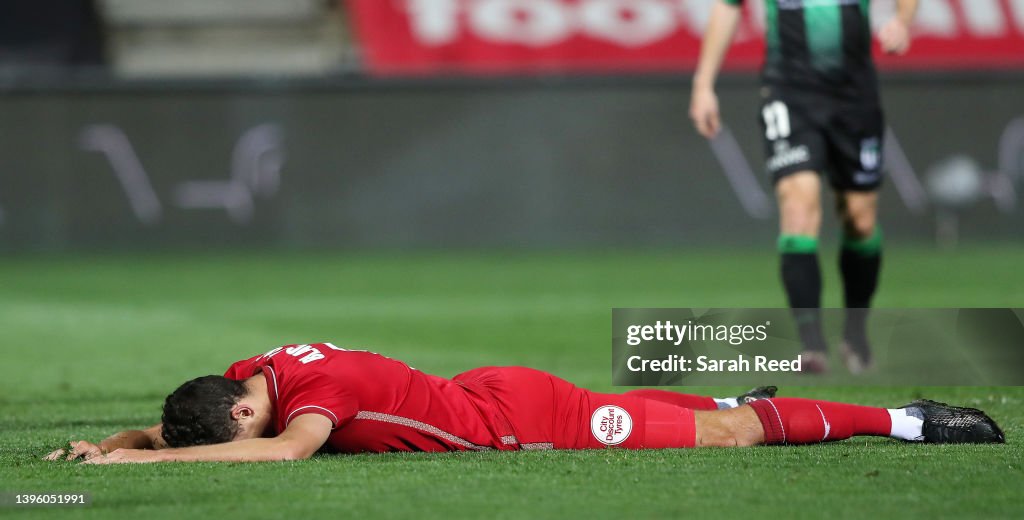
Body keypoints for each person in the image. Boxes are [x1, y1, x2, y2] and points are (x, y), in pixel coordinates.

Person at [44, 343, 1003, 464]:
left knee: (722, 438)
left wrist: (155, 461)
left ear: (244, 408)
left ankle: (911, 420)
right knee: (705, 402)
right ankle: (763, 393)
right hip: (495, 388)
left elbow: (284, 454)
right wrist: (117, 441)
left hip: (518, 424)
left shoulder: (311, 404)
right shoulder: (259, 366)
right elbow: (216, 420)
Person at [689, 0, 919, 373]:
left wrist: (903, 21)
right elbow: (728, 7)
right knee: (798, 203)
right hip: (788, 92)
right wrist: (703, 85)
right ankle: (811, 345)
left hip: (853, 94)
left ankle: (855, 332)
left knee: (859, 219)